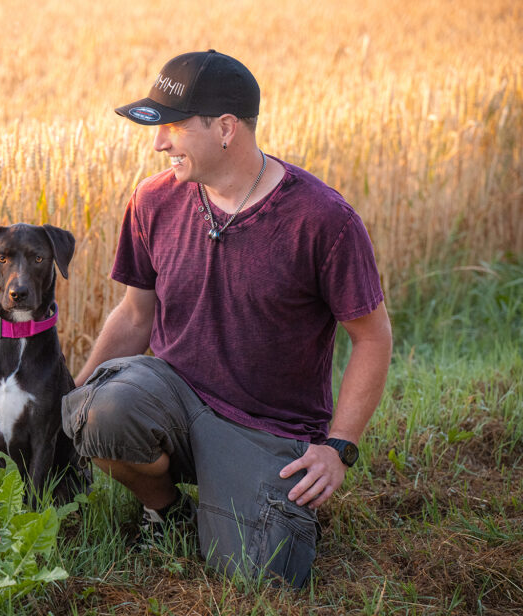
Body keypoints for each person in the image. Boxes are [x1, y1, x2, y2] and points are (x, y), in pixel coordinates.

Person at [61, 51, 392, 588]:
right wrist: (73, 400)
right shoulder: (152, 201)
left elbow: (372, 338)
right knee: (97, 414)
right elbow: (135, 313)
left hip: (269, 428)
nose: (158, 143)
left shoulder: (323, 220)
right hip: (172, 397)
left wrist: (339, 447)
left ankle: (250, 504)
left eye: (173, 127)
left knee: (266, 575)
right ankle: (166, 511)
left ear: (225, 128)